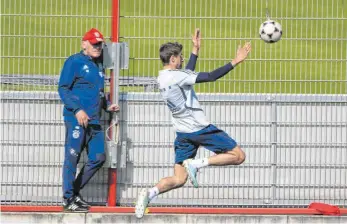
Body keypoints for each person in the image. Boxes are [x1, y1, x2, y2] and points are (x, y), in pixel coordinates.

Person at [135, 29, 251, 218]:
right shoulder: (177, 76)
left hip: (182, 133)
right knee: (238, 155)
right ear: (172, 59)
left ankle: (150, 193)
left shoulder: (163, 78)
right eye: (179, 57)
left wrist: (195, 51)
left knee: (179, 179)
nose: (181, 60)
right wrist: (235, 61)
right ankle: (198, 164)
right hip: (199, 129)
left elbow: (185, 74)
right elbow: (210, 77)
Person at [58, 28, 120, 212]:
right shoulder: (74, 61)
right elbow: (63, 88)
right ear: (84, 44)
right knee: (72, 158)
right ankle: (68, 199)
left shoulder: (98, 65)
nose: (98, 47)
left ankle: (73, 192)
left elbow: (99, 93)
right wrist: (77, 110)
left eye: (100, 44)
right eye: (94, 44)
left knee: (98, 157)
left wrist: (107, 105)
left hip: (94, 121)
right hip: (76, 119)